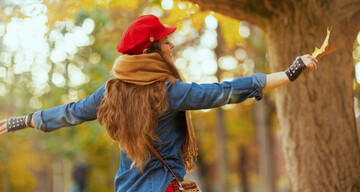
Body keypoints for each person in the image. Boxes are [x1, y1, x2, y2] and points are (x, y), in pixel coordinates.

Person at [0, 15, 318, 192]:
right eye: (166, 40)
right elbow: (225, 91)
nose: (172, 44)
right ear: (153, 49)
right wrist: (288, 74)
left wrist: (23, 120)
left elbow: (71, 113)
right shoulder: (168, 91)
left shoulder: (111, 91)